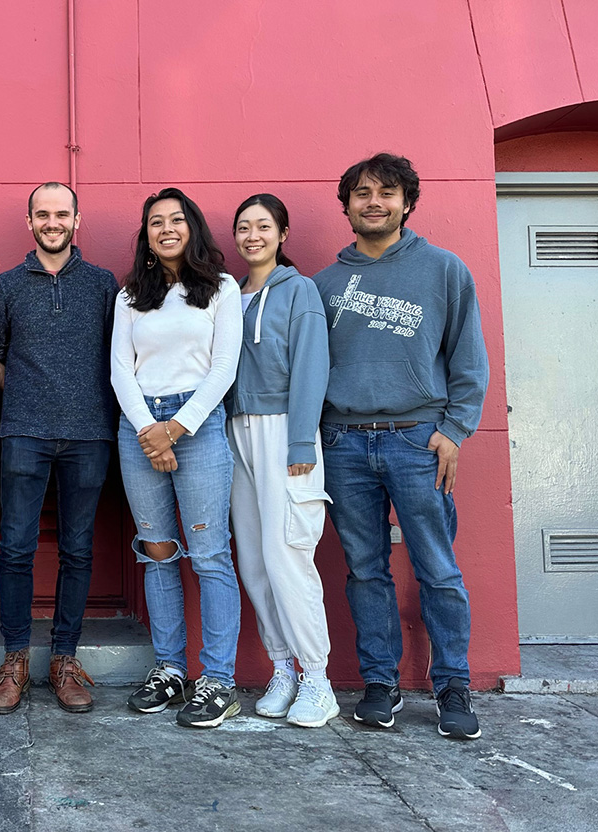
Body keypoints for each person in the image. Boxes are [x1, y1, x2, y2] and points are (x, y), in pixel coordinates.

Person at [313, 153, 489, 740]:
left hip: (419, 441)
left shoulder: (443, 270)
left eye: (387, 193)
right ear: (346, 206)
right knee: (365, 571)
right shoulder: (324, 284)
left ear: (407, 203)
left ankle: (453, 687)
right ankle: (380, 683)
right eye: (361, 193)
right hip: (342, 443)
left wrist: (455, 430)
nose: (373, 202)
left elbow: (468, 358)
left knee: (438, 569)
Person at [0, 182, 120, 714]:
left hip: (90, 435)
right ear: (30, 222)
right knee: (15, 548)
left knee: (77, 550)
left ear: (77, 221)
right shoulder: (7, 285)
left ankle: (64, 658)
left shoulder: (104, 285)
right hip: (24, 434)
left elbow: (121, 355)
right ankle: (15, 659)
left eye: (62, 213)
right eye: (43, 214)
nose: (53, 222)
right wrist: (28, 396)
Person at [112, 187, 243, 728]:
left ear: (192, 227)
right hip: (139, 425)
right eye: (155, 222)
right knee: (159, 551)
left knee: (210, 553)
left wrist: (176, 428)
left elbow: (223, 368)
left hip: (198, 423)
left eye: (175, 220)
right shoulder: (128, 297)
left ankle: (219, 680)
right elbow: (121, 367)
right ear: (145, 235)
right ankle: (169, 669)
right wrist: (149, 431)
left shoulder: (221, 289)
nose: (166, 229)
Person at [226, 194, 337, 728]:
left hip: (283, 434)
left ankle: (318, 678)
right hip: (233, 433)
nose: (252, 236)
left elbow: (312, 371)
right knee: (252, 560)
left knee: (287, 555)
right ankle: (282, 669)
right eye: (244, 227)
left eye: (263, 227)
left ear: (282, 233)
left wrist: (299, 445)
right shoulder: (229, 295)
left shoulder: (300, 291)